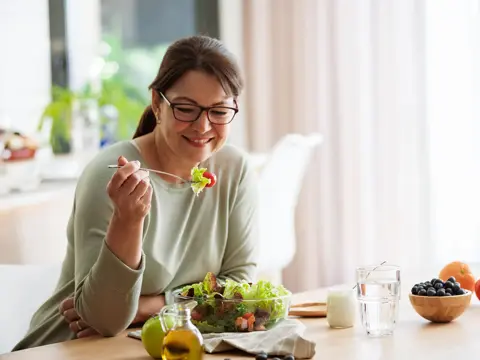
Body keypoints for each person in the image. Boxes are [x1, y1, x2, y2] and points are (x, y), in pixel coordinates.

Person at [13, 35, 259, 350]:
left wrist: (150, 307)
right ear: (157, 103)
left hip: (160, 345)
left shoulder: (233, 170)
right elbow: (103, 320)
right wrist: (128, 219)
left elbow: (239, 287)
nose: (202, 127)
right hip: (68, 349)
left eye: (220, 111)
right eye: (186, 109)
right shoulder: (115, 174)